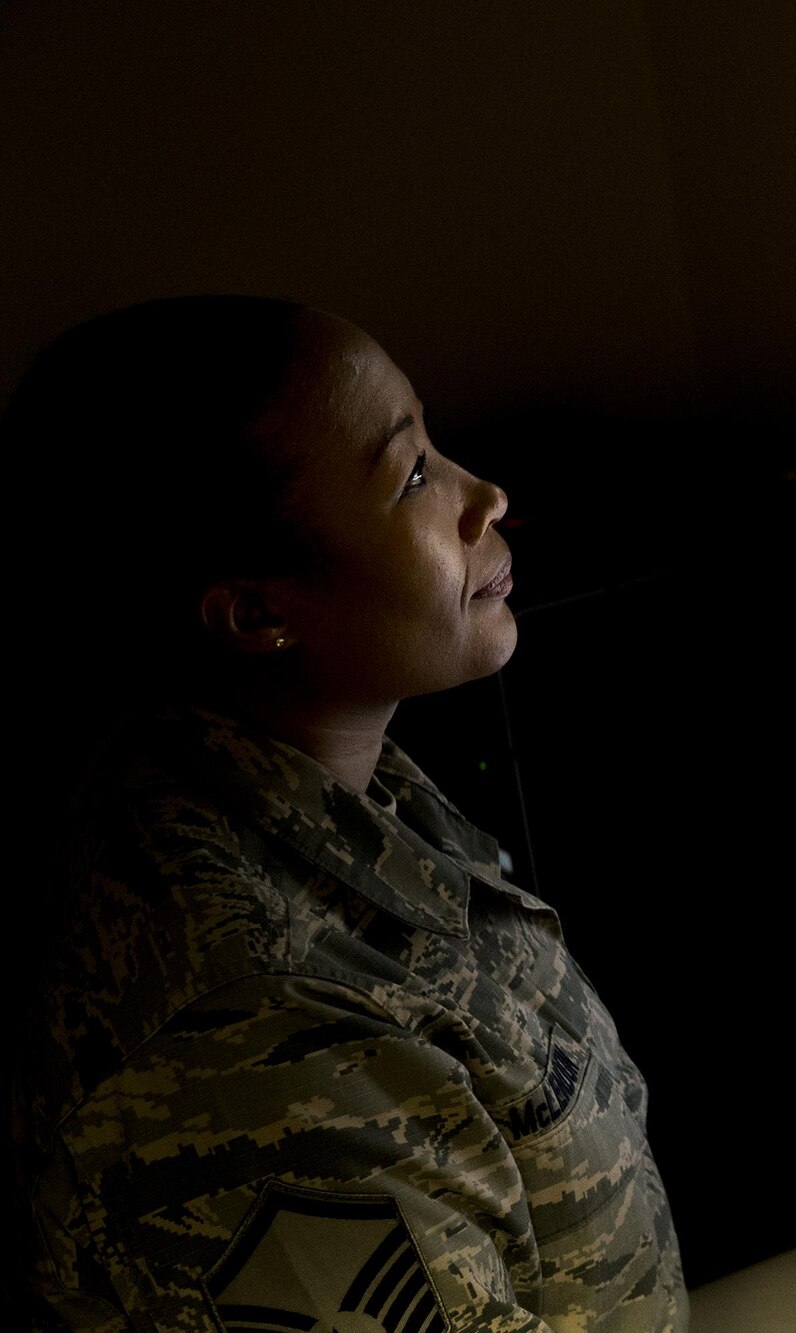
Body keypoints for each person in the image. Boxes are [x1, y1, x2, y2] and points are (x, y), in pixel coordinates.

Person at [6, 296, 686, 1331]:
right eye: (412, 474)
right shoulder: (252, 1044)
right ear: (258, 612)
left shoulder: (342, 787)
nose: (485, 495)